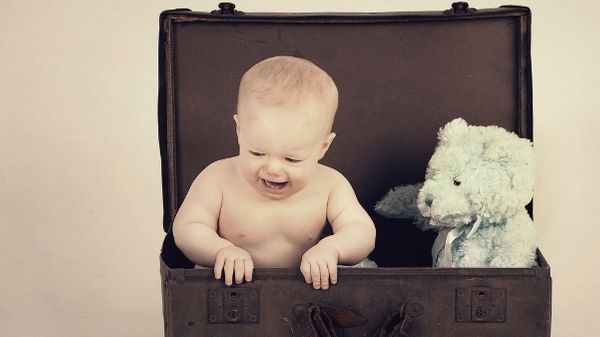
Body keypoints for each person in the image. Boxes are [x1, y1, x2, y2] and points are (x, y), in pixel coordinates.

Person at [173, 56, 376, 290]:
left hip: (305, 292)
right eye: (257, 153)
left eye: (292, 159)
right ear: (239, 130)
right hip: (228, 290)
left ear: (323, 147)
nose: (273, 169)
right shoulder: (217, 178)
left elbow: (362, 231)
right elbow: (187, 227)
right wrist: (220, 250)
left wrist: (332, 249)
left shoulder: (330, 184)